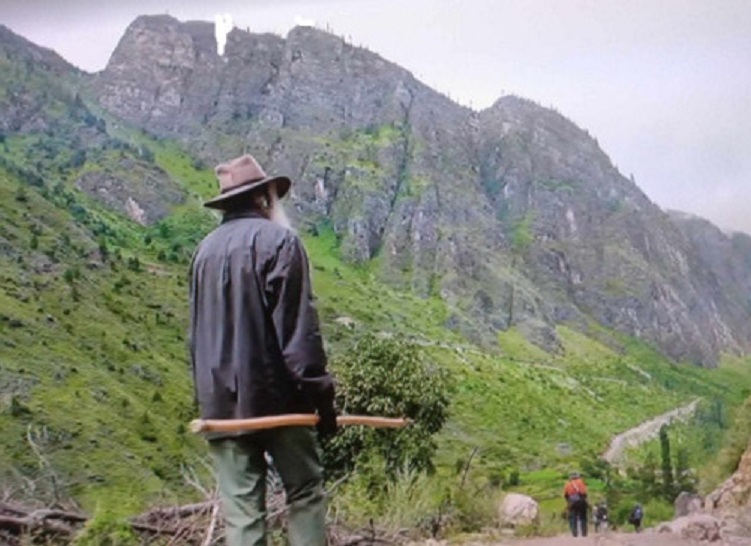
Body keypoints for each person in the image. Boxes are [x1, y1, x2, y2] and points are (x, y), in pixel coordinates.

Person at [189, 154, 337, 546]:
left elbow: (196, 336)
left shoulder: (203, 253)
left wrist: (207, 397)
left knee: (242, 512)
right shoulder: (281, 242)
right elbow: (299, 335)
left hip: (220, 404)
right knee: (304, 493)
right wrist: (323, 401)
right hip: (280, 402)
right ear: (263, 199)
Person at [563, 471, 588, 537]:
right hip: (581, 502)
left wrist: (569, 502)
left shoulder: (567, 484)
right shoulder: (581, 482)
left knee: (573, 517)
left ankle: (574, 533)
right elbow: (584, 493)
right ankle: (584, 533)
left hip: (572, 503)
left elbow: (565, 495)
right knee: (583, 517)